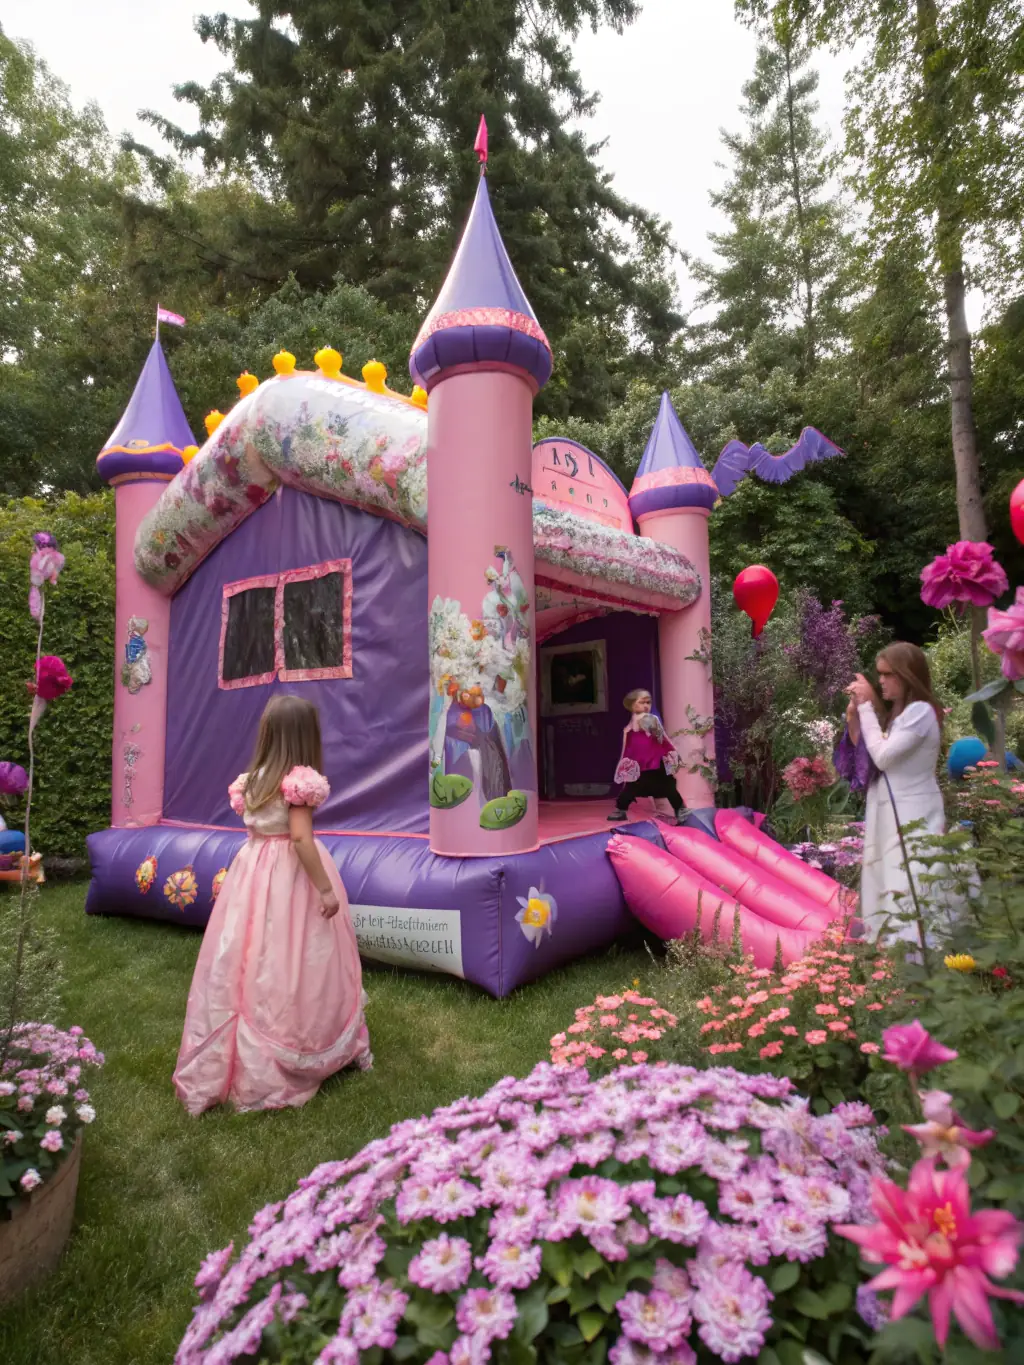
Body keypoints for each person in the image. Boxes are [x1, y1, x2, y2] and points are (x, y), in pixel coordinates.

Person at [173, 694, 370, 1115]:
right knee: (300, 955)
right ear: (305, 738)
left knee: (253, 952)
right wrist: (325, 889)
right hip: (291, 876)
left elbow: (259, 832)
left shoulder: (252, 781)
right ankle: (296, 1041)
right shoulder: (298, 783)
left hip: (253, 873)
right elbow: (300, 839)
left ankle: (246, 1042)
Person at [844, 642, 950, 944]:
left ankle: (916, 952)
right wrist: (857, 714)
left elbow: (883, 756)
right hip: (888, 809)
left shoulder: (921, 712)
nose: (881, 681)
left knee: (909, 878)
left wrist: (866, 706)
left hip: (912, 812)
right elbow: (866, 754)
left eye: (887, 674)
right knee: (884, 874)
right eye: (879, 675)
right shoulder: (900, 716)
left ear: (906, 676)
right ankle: (889, 945)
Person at [608, 689, 685, 825]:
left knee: (665, 786)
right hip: (641, 762)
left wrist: (670, 750)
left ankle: (680, 810)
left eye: (648, 702)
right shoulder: (637, 721)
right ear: (632, 705)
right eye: (641, 702)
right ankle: (620, 809)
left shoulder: (647, 719)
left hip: (653, 760)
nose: (646, 706)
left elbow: (661, 737)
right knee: (634, 786)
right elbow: (631, 744)